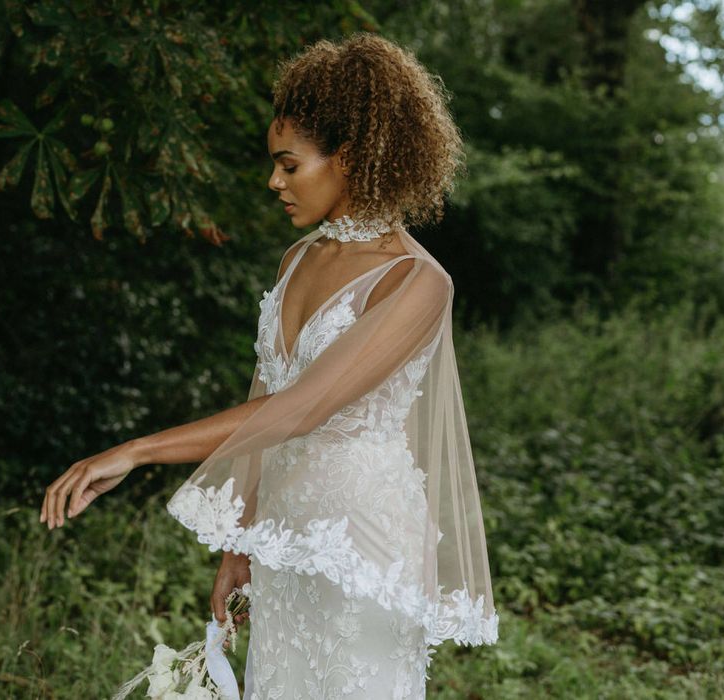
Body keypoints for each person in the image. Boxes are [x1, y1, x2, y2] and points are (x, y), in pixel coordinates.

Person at [40, 32, 499, 699]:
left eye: (289, 164)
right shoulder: (297, 260)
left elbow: (301, 408)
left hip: (361, 548)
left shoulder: (417, 282)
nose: (273, 181)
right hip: (285, 537)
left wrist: (138, 450)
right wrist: (241, 545)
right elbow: (267, 403)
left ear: (350, 157)